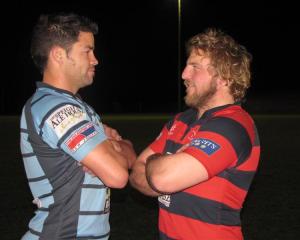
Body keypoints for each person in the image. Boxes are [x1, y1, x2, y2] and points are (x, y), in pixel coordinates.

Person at [130, 28, 260, 240]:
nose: (184, 74)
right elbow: (136, 174)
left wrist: (156, 163)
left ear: (224, 78)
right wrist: (163, 169)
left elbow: (162, 179)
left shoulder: (233, 125)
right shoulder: (180, 121)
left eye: (194, 67)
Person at [20, 12, 136, 239]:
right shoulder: (55, 108)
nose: (95, 59)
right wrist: (111, 148)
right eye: (87, 51)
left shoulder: (79, 108)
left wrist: (112, 148)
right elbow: (118, 175)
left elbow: (129, 154)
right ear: (58, 55)